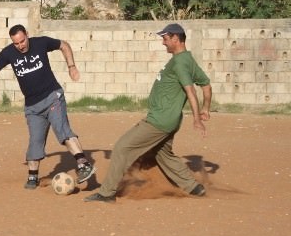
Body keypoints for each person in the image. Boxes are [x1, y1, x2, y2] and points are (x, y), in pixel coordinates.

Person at [84, 23, 212, 203]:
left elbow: (191, 90)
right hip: (169, 120)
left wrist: (197, 118)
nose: (163, 43)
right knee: (163, 154)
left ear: (176, 38)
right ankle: (194, 187)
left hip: (159, 120)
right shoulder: (187, 59)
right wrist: (206, 107)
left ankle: (107, 193)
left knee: (122, 147)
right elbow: (206, 84)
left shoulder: (181, 62)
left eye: (165, 39)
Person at [0, 24, 95, 189]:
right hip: (32, 107)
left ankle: (83, 164)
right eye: (17, 43)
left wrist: (71, 66)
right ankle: (33, 177)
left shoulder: (41, 43)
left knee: (62, 129)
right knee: (35, 141)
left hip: (52, 98)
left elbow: (63, 45)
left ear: (27, 35)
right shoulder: (8, 53)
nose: (21, 46)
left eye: (22, 41)